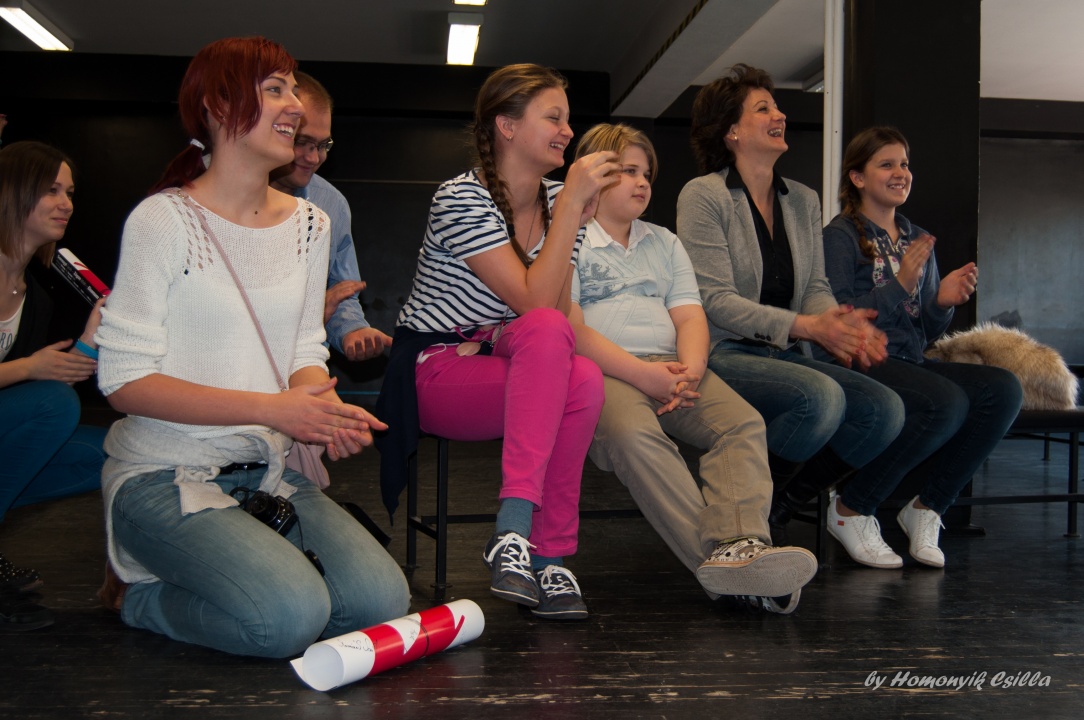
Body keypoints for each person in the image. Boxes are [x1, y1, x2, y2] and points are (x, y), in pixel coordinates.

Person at [93, 37, 410, 658]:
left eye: (292, 89)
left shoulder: (311, 224)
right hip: (162, 476)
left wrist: (320, 409)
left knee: (379, 602)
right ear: (217, 106)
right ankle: (133, 594)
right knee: (288, 618)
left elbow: (303, 349)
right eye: (274, 89)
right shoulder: (163, 220)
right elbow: (123, 381)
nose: (295, 105)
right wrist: (272, 409)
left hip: (267, 473)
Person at [376, 64, 618, 621]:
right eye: (553, 118)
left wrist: (568, 215)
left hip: (507, 352)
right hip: (437, 366)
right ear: (506, 126)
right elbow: (534, 300)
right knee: (565, 357)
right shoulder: (460, 198)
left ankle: (546, 554)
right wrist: (570, 213)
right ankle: (515, 527)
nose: (567, 131)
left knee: (582, 375)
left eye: (567, 119)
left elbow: (555, 315)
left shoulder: (559, 199)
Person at [569, 123, 817, 614]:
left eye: (647, 174)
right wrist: (643, 376)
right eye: (628, 171)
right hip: (604, 372)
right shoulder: (569, 240)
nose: (642, 182)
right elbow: (572, 331)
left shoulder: (664, 242)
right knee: (636, 437)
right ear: (594, 176)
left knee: (742, 424)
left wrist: (691, 370)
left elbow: (689, 316)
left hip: (673, 368)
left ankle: (742, 544)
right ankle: (727, 565)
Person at [675, 64, 905, 559]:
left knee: (884, 411)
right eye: (764, 108)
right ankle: (751, 514)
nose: (780, 115)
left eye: (776, 106)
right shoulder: (703, 195)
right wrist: (808, 327)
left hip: (784, 353)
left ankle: (776, 508)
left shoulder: (802, 199)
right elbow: (715, 301)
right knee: (820, 398)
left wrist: (838, 324)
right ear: (732, 131)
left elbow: (814, 288)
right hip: (724, 352)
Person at [819, 126, 1023, 567]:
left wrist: (940, 303)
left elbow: (924, 330)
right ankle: (851, 508)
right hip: (859, 358)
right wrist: (901, 283)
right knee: (945, 402)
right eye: (887, 164)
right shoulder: (840, 236)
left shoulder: (917, 237)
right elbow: (841, 317)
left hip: (909, 360)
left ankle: (928, 507)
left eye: (905, 164)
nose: (901, 173)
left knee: (1004, 389)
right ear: (858, 177)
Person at [0, 141, 107, 631]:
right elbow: (37, 378)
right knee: (52, 403)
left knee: (108, 453)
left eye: (69, 192)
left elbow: (56, 372)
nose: (66, 203)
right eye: (51, 190)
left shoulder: (34, 295)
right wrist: (28, 368)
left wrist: (92, 336)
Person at [269, 71, 392, 361]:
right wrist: (312, 309)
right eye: (302, 142)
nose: (314, 157)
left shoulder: (330, 204)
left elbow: (340, 290)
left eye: (323, 145)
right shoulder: (203, 194)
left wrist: (352, 330)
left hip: (303, 361)